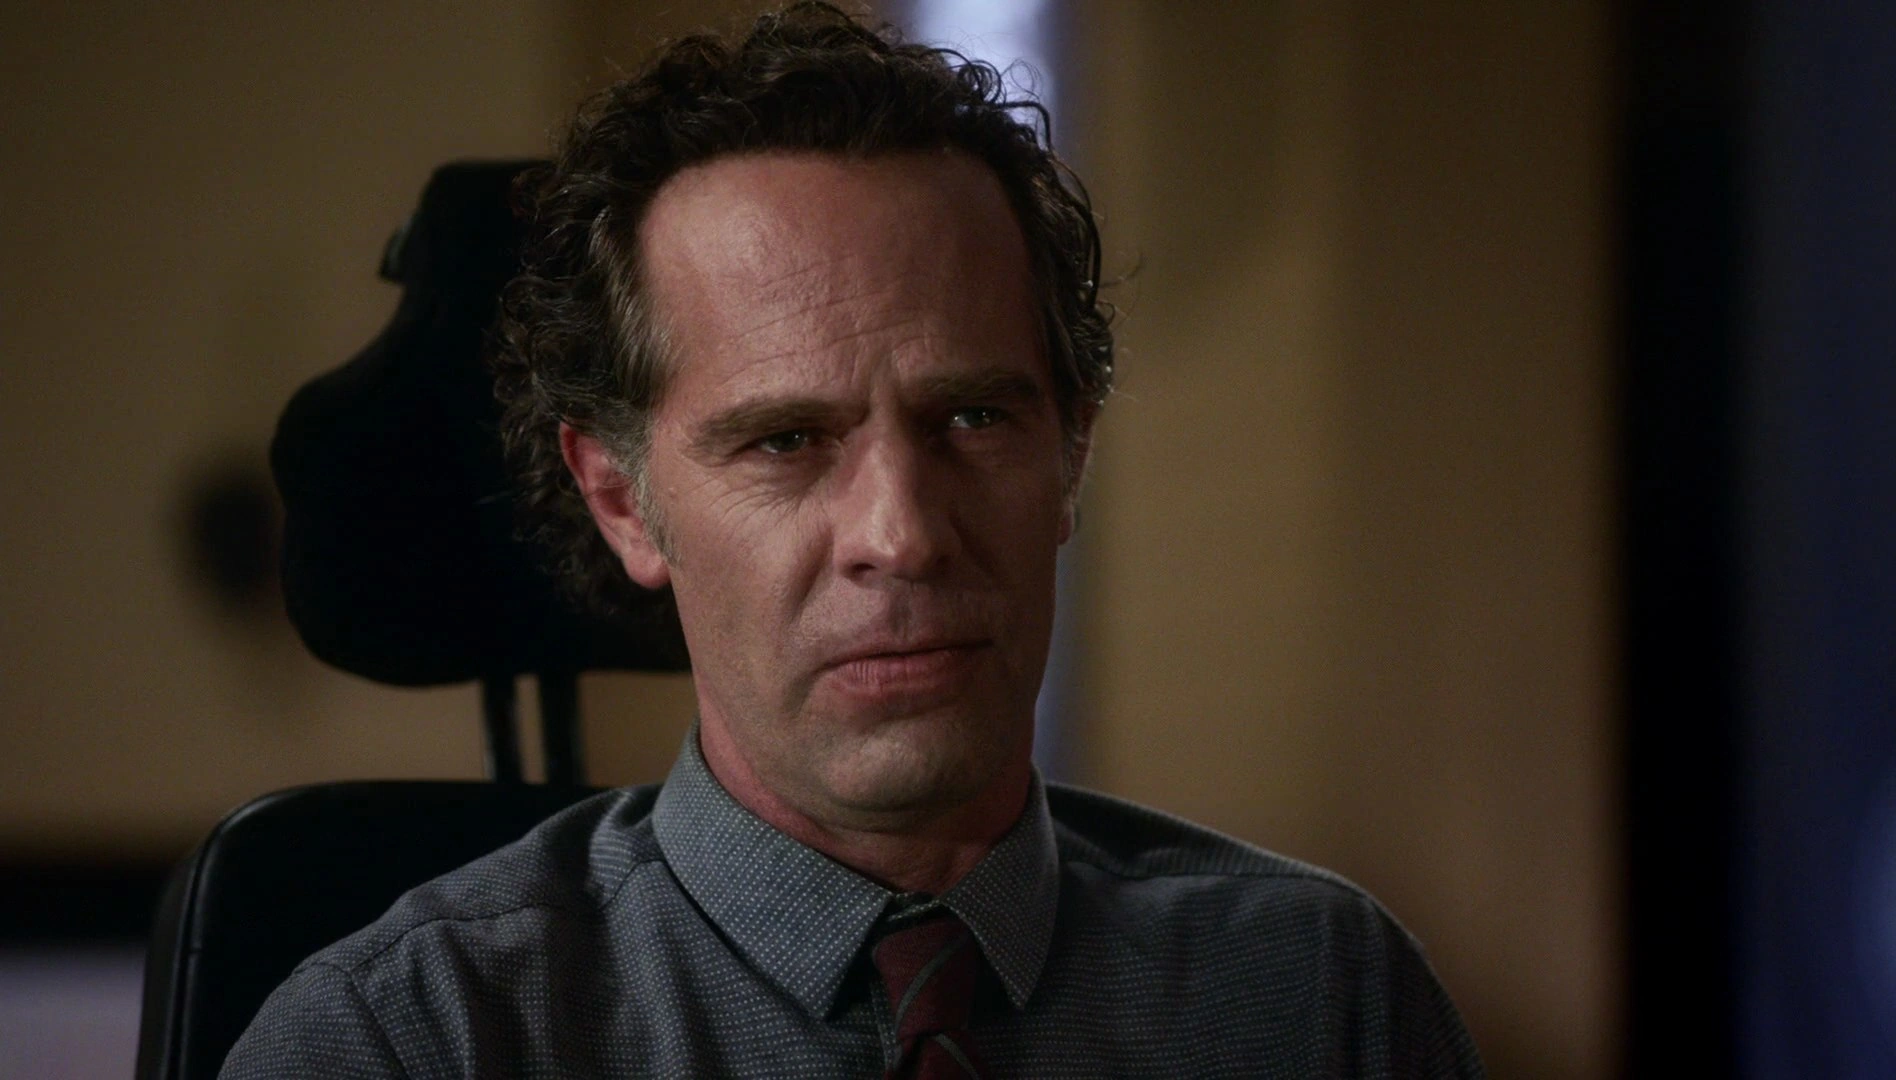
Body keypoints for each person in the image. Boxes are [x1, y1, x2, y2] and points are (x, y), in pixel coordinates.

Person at [223, 4, 1485, 1076]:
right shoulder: (406, 1042)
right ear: (622, 502)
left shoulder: (1321, 998)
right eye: (786, 440)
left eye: (974, 418)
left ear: (1071, 456)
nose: (903, 533)